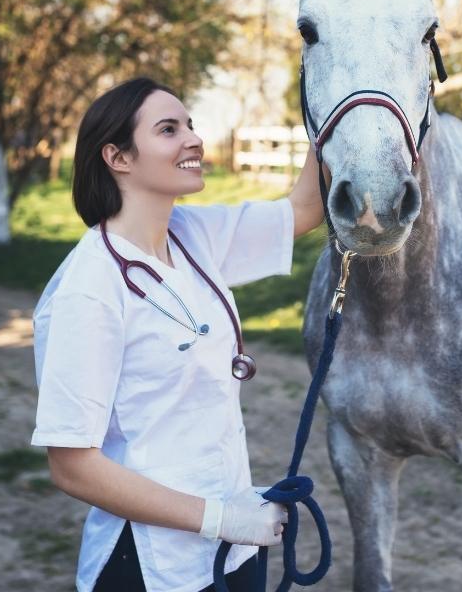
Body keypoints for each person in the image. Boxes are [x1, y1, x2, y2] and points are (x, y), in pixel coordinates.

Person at [30, 77, 326, 592]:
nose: (193, 138)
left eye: (190, 124)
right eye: (169, 129)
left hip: (233, 546)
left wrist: (333, 97)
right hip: (152, 563)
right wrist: (220, 519)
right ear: (118, 157)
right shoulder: (89, 288)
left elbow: (303, 209)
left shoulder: (193, 235)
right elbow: (72, 466)